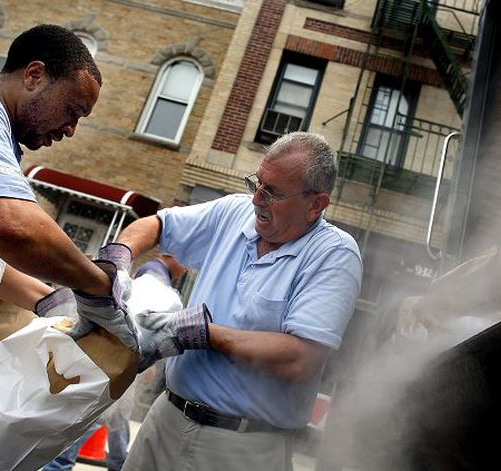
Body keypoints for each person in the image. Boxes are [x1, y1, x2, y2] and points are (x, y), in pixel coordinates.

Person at [117, 131, 363, 471]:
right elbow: (157, 225)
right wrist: (118, 256)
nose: (256, 200)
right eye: (257, 183)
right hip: (166, 420)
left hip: (242, 448)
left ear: (316, 204)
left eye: (273, 192)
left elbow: (301, 358)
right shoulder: (232, 212)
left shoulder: (334, 254)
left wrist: (201, 333)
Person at [0, 24, 137, 401]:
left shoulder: (0, 141)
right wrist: (100, 289)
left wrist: (55, 303)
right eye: (72, 110)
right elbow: (15, 230)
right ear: (34, 75)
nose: (72, 129)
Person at [42, 255, 187, 471]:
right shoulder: (156, 276)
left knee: (117, 418)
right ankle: (60, 465)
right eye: (185, 260)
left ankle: (118, 464)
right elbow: (143, 318)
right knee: (98, 418)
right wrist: (146, 359)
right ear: (172, 254)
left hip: (118, 358)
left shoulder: (153, 272)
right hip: (120, 359)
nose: (186, 268)